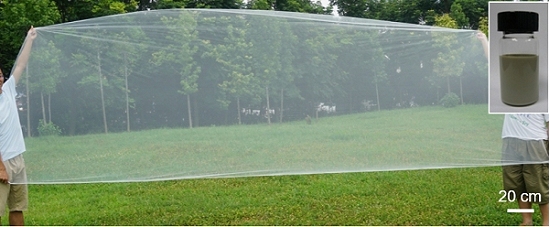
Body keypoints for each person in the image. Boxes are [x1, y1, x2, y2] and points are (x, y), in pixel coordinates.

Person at [0, 26, 36, 226]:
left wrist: (29, 39)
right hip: (1, 164)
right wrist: (1, 168)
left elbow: (21, 65)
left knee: (17, 207)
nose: (0, 80)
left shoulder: (8, 90)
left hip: (17, 159)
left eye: (0, 75)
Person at [502, 114, 549, 226]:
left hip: (535, 141)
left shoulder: (545, 98)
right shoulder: (509, 97)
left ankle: (547, 222)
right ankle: (527, 221)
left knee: (538, 184)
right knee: (516, 183)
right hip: (510, 140)